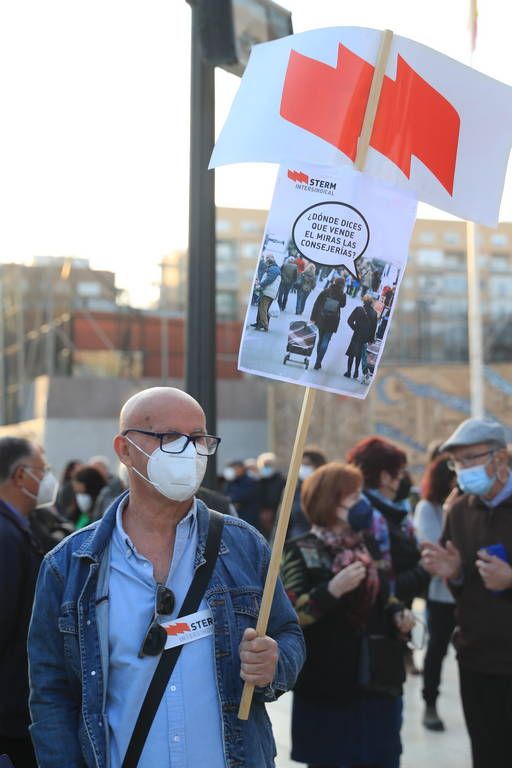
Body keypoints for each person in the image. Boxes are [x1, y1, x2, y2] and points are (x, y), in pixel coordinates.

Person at [28, 386, 305, 768]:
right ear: (124, 449)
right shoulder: (69, 565)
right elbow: (51, 694)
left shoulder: (244, 546)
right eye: (170, 438)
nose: (189, 452)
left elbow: (289, 636)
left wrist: (275, 663)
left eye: (198, 439)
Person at [281, 462, 414, 768]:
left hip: (379, 680)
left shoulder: (366, 543)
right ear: (329, 501)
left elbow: (385, 592)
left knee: (381, 758)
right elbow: (291, 614)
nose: (362, 505)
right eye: (353, 498)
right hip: (328, 686)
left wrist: (398, 612)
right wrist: (332, 590)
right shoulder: (300, 550)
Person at [421, 418, 512, 768]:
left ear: (500, 459)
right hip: (476, 657)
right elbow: (463, 586)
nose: (463, 470)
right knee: (487, 754)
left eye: (471, 459)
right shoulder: (458, 509)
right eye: (457, 462)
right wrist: (454, 574)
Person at [0, 437, 58, 768]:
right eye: (42, 470)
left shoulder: (22, 528)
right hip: (9, 715)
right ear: (21, 476)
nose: (48, 479)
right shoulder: (5, 537)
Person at [347, 437, 430, 606]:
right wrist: (425, 570)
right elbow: (385, 586)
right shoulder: (373, 519)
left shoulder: (387, 511)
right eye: (399, 475)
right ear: (385, 477)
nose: (401, 482)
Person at [414, 454, 457, 732]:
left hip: (470, 593)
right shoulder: (428, 509)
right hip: (442, 594)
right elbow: (434, 549)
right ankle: (430, 702)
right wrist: (452, 513)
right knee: (437, 649)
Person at [287, 446, 327, 541]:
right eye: (301, 464)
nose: (303, 468)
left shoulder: (326, 488)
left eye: (307, 464)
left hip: (320, 539)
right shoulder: (293, 488)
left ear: (318, 466)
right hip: (297, 538)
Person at [310, 276, 347, 370]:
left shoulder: (326, 291)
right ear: (343, 285)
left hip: (322, 318)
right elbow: (342, 305)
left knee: (320, 339)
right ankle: (318, 362)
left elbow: (316, 304)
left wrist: (313, 318)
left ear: (334, 282)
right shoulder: (342, 295)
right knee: (326, 340)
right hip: (333, 320)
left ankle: (318, 361)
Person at [345, 294, 378, 381]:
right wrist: (371, 339)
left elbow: (349, 320)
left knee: (351, 354)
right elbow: (373, 328)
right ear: (371, 303)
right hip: (365, 337)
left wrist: (355, 328)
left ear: (363, 301)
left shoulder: (359, 309)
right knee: (359, 354)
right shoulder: (374, 314)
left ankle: (348, 372)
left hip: (356, 334)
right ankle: (356, 371)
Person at [222, 459, 260, 528]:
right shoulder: (230, 481)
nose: (234, 470)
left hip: (248, 515)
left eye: (236, 468)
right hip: (235, 515)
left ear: (242, 469)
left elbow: (243, 496)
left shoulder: (249, 481)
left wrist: (230, 498)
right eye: (232, 468)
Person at [256, 452, 286, 539]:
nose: (267, 467)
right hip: (260, 515)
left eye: (269, 464)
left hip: (276, 514)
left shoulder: (280, 480)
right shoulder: (259, 480)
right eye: (265, 465)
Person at [88, 455, 126, 520]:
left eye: (98, 470)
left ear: (106, 469)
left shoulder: (112, 488)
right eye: (93, 471)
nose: (95, 474)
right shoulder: (89, 486)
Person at [251, 254, 281, 332]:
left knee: (263, 309)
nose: (266, 263)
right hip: (269, 292)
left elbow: (269, 279)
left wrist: (261, 284)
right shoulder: (274, 268)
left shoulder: (274, 269)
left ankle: (265, 325)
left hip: (268, 292)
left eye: (267, 261)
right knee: (262, 308)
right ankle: (258, 323)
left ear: (269, 262)